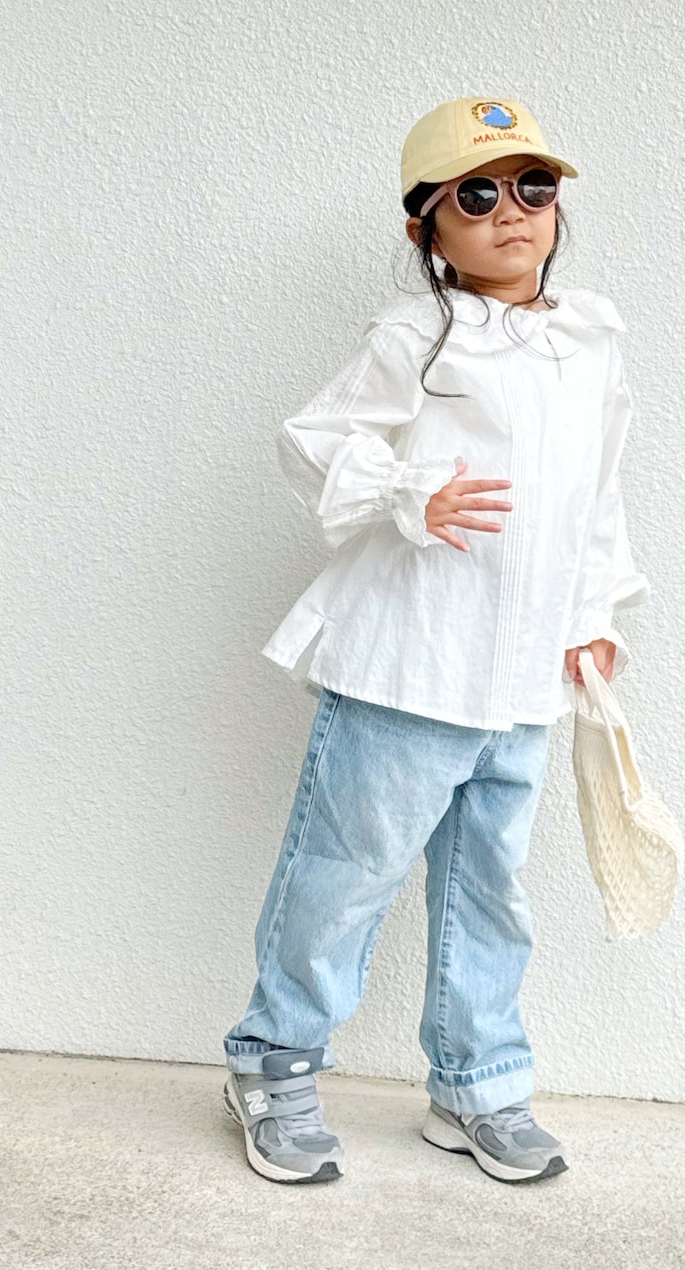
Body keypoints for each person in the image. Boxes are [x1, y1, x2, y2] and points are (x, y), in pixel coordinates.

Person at [222, 96, 651, 1186]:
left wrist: (593, 617)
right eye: (477, 193)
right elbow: (313, 441)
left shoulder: (589, 339)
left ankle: (478, 1084)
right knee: (346, 873)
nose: (512, 211)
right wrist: (411, 490)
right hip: (410, 666)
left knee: (488, 885)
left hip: (523, 678)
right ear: (427, 228)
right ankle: (273, 1061)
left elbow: (596, 497)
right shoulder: (418, 336)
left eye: (533, 187)